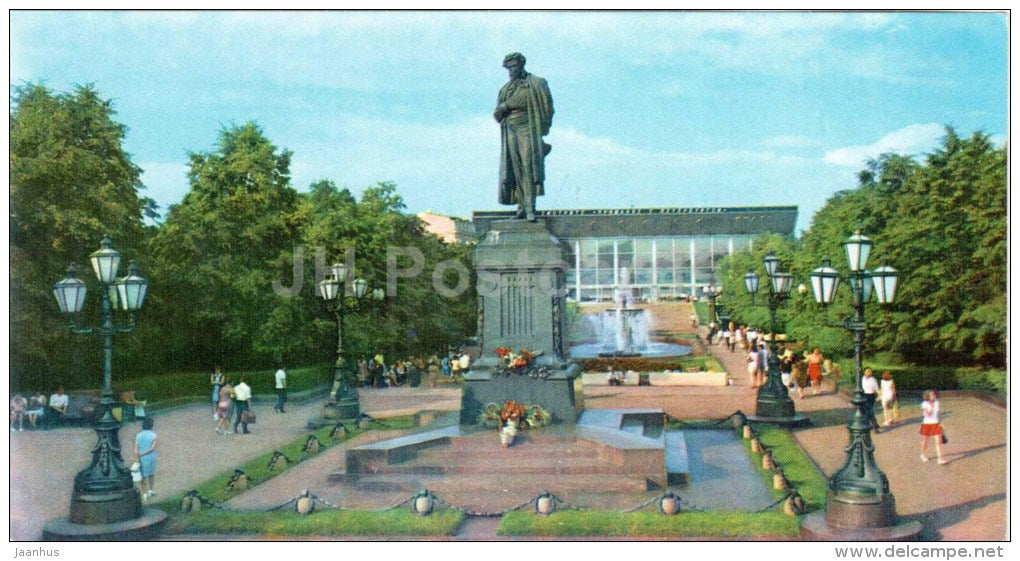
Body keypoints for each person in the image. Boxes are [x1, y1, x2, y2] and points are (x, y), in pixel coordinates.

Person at [494, 52, 554, 221]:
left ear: (522, 65)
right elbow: (497, 113)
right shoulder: (505, 89)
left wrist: (541, 130)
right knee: (515, 167)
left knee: (528, 165)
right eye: (509, 67)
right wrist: (503, 109)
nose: (512, 70)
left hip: (528, 127)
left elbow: (548, 107)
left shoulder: (537, 83)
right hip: (510, 129)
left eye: (515, 66)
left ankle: (530, 207)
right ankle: (521, 206)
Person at [919, 390, 947, 464]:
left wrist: (940, 423)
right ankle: (922, 454)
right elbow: (927, 414)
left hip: (936, 424)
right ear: (928, 396)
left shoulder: (937, 402)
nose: (934, 395)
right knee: (926, 441)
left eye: (934, 394)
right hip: (927, 424)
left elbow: (938, 414)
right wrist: (931, 407)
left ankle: (940, 458)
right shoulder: (924, 404)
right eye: (932, 394)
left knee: (939, 441)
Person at [134, 417, 158, 500]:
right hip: (150, 457)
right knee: (151, 474)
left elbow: (136, 448)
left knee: (142, 476)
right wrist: (143, 454)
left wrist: (137, 456)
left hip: (141, 459)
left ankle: (144, 493)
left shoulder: (138, 435)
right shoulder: (154, 435)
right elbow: (152, 448)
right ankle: (151, 490)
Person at [861, 368, 881, 433]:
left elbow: (877, 388)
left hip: (871, 396)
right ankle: (874, 425)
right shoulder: (863, 378)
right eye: (867, 371)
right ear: (864, 372)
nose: (868, 373)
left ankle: (875, 427)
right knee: (866, 411)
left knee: (869, 411)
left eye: (870, 371)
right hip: (865, 395)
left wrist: (879, 396)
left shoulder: (873, 379)